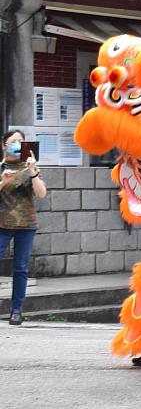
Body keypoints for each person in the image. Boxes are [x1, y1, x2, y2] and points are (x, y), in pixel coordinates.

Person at [1, 130, 47, 325]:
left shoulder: (29, 166)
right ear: (4, 145)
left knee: (21, 268)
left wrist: (33, 171)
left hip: (26, 224)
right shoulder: (1, 167)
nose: (17, 144)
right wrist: (4, 181)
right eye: (13, 141)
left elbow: (41, 193)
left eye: (21, 141)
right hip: (2, 223)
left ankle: (17, 310)